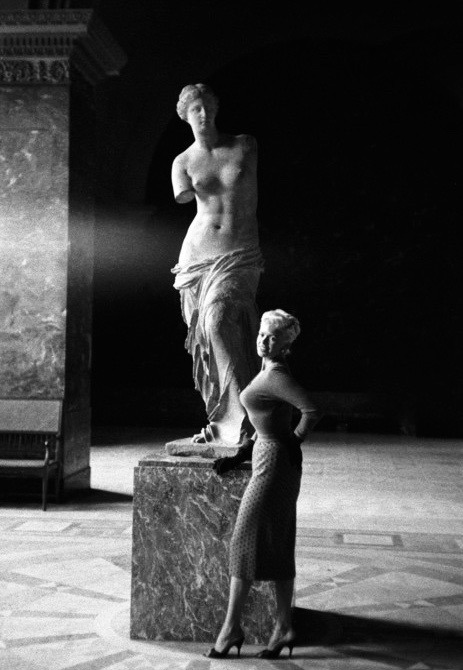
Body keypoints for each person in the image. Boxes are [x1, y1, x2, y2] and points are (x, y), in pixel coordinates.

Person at [205, 309, 319, 659]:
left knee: (243, 544)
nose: (263, 342)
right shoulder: (267, 372)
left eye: (272, 337)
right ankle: (283, 627)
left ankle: (230, 630)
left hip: (273, 466)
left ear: (285, 344)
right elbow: (266, 422)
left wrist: (292, 442)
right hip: (267, 459)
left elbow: (311, 411)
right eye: (261, 335)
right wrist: (241, 456)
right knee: (278, 543)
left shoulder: (277, 375)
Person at [171, 83, 264, 446]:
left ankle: (241, 415)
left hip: (240, 253)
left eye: (209, 106)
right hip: (198, 256)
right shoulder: (182, 162)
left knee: (220, 322)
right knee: (210, 334)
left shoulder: (245, 145)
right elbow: (183, 197)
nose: (204, 114)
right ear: (185, 115)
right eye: (196, 109)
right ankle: (229, 418)